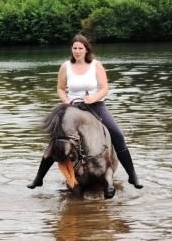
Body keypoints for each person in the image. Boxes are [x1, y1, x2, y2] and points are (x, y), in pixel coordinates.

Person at [27, 34, 143, 190]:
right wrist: (66, 100)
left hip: (96, 105)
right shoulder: (65, 66)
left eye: (80, 48)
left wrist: (94, 97)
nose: (77, 51)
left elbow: (104, 88)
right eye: (74, 48)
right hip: (73, 108)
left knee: (117, 134)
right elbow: (61, 89)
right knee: (57, 140)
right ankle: (39, 178)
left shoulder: (96, 65)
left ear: (86, 49)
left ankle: (132, 175)